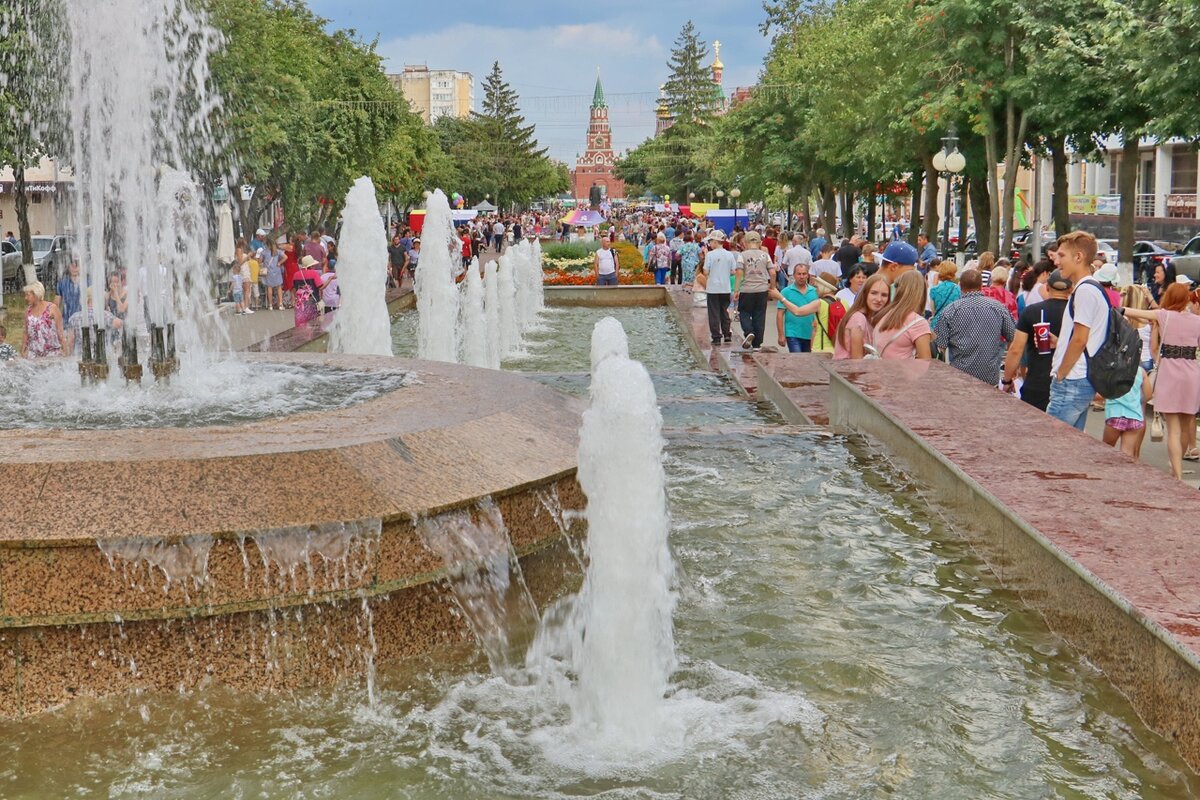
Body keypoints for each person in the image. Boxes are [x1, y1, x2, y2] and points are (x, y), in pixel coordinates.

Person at [1121, 283, 1200, 479]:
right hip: (1192, 374)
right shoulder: (1197, 321)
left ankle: (1178, 474)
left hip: (1169, 373)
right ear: (1187, 299)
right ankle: (1176, 467)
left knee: (1172, 429)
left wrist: (1117, 305)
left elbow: (1133, 311)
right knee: (1185, 426)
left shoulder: (1163, 315)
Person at [1048, 231, 1108, 431]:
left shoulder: (1084, 291)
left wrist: (1061, 374)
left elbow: (1080, 339)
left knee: (1048, 446)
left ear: (1079, 257)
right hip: (1080, 378)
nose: (1057, 261)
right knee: (1069, 449)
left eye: (1062, 255)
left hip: (1072, 380)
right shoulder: (1093, 288)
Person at [1003, 269, 1072, 411]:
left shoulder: (1031, 312)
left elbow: (1016, 349)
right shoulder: (1077, 313)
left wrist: (1007, 379)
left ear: (1047, 287)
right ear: (1071, 289)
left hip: (1037, 382)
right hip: (1069, 382)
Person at [934, 269, 1016, 384]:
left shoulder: (950, 310)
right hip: (989, 377)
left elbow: (940, 347)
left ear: (960, 286)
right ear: (981, 286)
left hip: (959, 376)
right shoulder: (999, 308)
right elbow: (1013, 339)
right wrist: (1009, 374)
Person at [871, 271, 933, 359]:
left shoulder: (883, 314)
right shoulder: (918, 322)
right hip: (903, 371)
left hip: (882, 370)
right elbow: (926, 362)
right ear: (921, 292)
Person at [733, 230, 776, 350]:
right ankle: (757, 344)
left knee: (744, 312)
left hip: (747, 289)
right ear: (760, 242)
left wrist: (736, 290)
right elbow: (772, 273)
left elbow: (739, 273)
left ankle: (749, 331)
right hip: (762, 289)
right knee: (759, 315)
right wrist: (772, 287)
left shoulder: (743, 255)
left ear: (745, 242)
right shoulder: (765, 255)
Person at [833, 273, 890, 359]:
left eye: (884, 295)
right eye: (874, 293)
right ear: (865, 294)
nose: (879, 299)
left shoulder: (869, 318)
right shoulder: (858, 318)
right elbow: (857, 362)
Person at [1103, 366, 1152, 459]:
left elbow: (1101, 393)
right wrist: (1138, 402)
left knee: (1106, 449)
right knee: (1127, 454)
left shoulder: (1112, 368)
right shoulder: (1141, 371)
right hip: (1134, 416)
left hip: (1115, 414)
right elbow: (1149, 395)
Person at [776, 261, 817, 352]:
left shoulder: (815, 292)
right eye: (799, 274)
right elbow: (780, 314)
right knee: (797, 359)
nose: (801, 277)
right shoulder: (786, 292)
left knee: (808, 362)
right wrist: (781, 335)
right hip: (793, 333)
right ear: (794, 275)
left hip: (810, 334)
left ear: (808, 275)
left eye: (804, 274)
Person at [704, 230, 736, 344]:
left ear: (715, 242)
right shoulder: (729, 254)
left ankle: (716, 336)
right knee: (724, 311)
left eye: (710, 241)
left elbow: (706, 271)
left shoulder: (710, 255)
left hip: (713, 287)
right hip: (725, 287)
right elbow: (733, 271)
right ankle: (727, 334)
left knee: (713, 312)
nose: (710, 244)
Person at [20, 281, 65, 359]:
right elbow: (26, 332)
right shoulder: (28, 311)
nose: (25, 298)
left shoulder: (52, 308)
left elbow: (60, 331)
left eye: (28, 295)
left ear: (36, 294)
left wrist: (65, 350)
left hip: (52, 354)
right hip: (33, 354)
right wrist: (22, 351)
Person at [928, 260, 961, 333]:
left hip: (937, 325)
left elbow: (933, 311)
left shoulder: (934, 290)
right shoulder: (959, 289)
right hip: (953, 326)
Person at [292, 255, 323, 325]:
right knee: (314, 326)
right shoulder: (314, 273)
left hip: (300, 303)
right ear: (311, 266)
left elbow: (294, 289)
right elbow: (321, 287)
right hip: (312, 303)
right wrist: (329, 279)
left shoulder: (296, 274)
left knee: (301, 326)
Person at [262, 238, 284, 310]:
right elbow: (285, 257)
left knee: (269, 288)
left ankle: (270, 305)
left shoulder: (264, 252)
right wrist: (279, 263)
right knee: (279, 287)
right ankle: (280, 304)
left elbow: (259, 261)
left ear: (267, 244)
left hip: (268, 272)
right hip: (277, 271)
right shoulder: (277, 251)